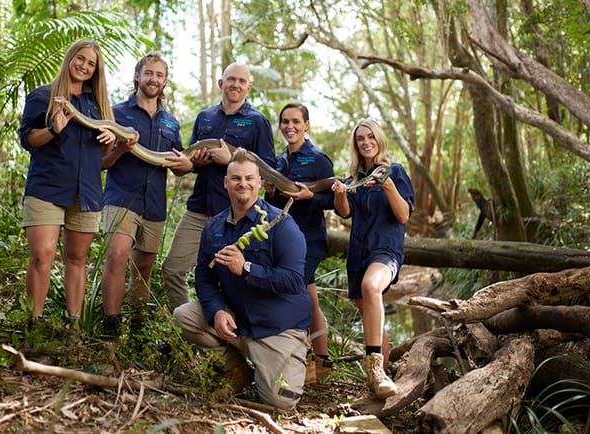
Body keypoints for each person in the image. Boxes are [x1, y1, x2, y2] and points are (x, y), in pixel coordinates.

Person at [174, 148, 311, 410]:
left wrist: (246, 268)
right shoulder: (214, 226)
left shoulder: (281, 223)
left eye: (249, 178)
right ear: (226, 183)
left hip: (276, 327)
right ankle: (238, 367)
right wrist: (216, 311)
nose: (243, 184)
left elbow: (294, 280)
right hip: (237, 322)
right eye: (236, 178)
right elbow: (203, 274)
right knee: (184, 316)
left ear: (260, 183)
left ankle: (292, 358)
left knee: (280, 402)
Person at [18, 38, 119, 328]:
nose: (85, 66)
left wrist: (110, 142)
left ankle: (73, 326)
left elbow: (98, 158)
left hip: (86, 191)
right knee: (42, 254)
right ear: (70, 58)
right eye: (81, 59)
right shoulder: (43, 96)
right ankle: (33, 326)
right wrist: (53, 128)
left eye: (91, 64)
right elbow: (28, 140)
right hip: (47, 187)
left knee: (77, 258)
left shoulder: (97, 107)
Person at [161, 63, 275, 310]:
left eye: (241, 81)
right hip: (199, 207)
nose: (236, 85)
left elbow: (268, 169)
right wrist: (193, 162)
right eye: (231, 79)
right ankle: (187, 329)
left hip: (237, 215)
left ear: (248, 87)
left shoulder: (258, 122)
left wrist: (231, 161)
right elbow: (190, 160)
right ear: (221, 83)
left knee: (232, 278)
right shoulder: (205, 117)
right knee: (172, 269)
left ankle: (229, 336)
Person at [99, 51, 193, 338]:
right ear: (138, 76)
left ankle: (138, 330)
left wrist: (186, 165)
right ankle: (111, 327)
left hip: (154, 204)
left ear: (165, 81)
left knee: (143, 268)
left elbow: (176, 164)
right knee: (116, 255)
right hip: (121, 197)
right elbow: (102, 162)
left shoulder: (171, 122)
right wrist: (120, 149)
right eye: (148, 73)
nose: (154, 79)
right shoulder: (116, 113)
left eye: (159, 75)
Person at [331, 119, 414, 400]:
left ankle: (374, 366)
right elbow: (344, 213)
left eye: (370, 137)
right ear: (355, 145)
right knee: (368, 311)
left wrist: (388, 185)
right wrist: (341, 194)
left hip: (386, 250)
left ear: (379, 139)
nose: (366, 142)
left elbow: (403, 215)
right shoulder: (353, 178)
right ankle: (382, 381)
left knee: (371, 287)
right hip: (358, 252)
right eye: (360, 139)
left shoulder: (395, 171)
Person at [264, 103, 334, 384]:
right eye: (284, 121)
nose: (289, 126)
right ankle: (323, 361)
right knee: (310, 296)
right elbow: (274, 205)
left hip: (311, 239)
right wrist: (269, 193)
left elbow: (335, 201)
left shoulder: (318, 159)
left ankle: (302, 358)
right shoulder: (279, 162)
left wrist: (311, 198)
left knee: (295, 294)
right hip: (284, 240)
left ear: (307, 124)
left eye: (295, 121)